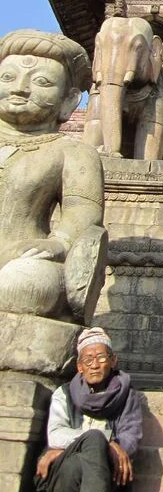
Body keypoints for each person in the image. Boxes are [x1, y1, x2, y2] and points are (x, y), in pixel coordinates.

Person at [0, 29, 104, 321]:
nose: (20, 89)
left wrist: (60, 241)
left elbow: (82, 210)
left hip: (20, 257)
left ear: (70, 101)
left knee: (27, 284)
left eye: (42, 82)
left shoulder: (72, 151)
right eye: (7, 78)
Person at [35, 327, 143, 492]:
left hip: (110, 473)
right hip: (58, 474)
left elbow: (130, 439)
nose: (94, 365)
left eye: (101, 357)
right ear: (79, 367)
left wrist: (99, 444)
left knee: (76, 464)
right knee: (89, 443)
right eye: (88, 360)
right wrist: (105, 441)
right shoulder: (64, 393)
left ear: (113, 360)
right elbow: (55, 434)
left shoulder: (127, 396)